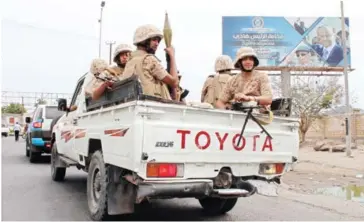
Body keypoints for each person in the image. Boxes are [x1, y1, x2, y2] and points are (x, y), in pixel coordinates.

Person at [122, 24, 179, 100]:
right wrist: (172, 56)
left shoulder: (129, 62)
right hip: (153, 106)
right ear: (144, 41)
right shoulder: (149, 59)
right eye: (154, 40)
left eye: (158, 41)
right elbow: (174, 82)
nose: (157, 44)